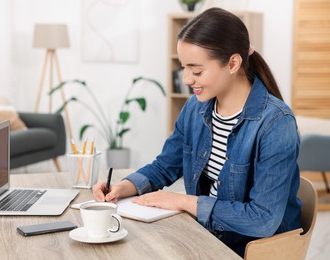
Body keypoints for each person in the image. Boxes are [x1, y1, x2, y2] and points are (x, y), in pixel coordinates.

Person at [93, 7, 301, 257]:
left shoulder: (276, 123)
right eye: (184, 68)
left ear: (233, 63)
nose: (186, 79)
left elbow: (262, 219)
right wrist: (123, 187)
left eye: (197, 70)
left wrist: (182, 201)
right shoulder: (196, 107)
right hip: (206, 233)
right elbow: (166, 165)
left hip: (250, 248)